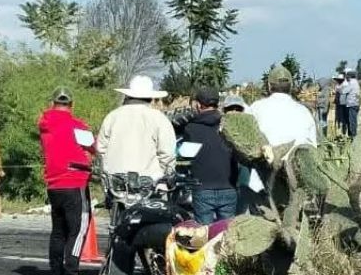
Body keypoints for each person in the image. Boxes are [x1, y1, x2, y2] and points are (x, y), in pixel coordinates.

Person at [39, 87, 97, 275]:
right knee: (78, 230)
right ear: (71, 105)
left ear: (52, 103)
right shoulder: (77, 126)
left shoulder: (45, 124)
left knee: (58, 232)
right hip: (75, 180)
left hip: (54, 184)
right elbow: (95, 147)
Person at [96, 76, 176, 183]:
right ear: (151, 97)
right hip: (148, 183)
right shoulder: (159, 118)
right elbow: (167, 153)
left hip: (115, 181)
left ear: (128, 95)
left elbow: (101, 149)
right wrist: (162, 174)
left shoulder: (113, 116)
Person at [181, 88, 238, 224]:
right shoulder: (228, 126)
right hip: (229, 187)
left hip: (202, 188)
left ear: (199, 105)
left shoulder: (191, 128)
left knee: (204, 235)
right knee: (226, 235)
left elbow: (185, 156)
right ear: (218, 104)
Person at [249, 65, 317, 147]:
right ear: (291, 86)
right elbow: (313, 146)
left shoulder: (255, 108)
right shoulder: (305, 112)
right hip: (298, 158)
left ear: (269, 86)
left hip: (264, 158)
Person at [338, 69, 361, 139]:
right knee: (353, 120)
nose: (346, 77)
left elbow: (344, 91)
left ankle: (353, 136)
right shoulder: (356, 82)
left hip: (352, 104)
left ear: (349, 76)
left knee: (352, 121)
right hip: (355, 104)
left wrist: (339, 89)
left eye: (347, 76)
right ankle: (352, 135)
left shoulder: (352, 83)